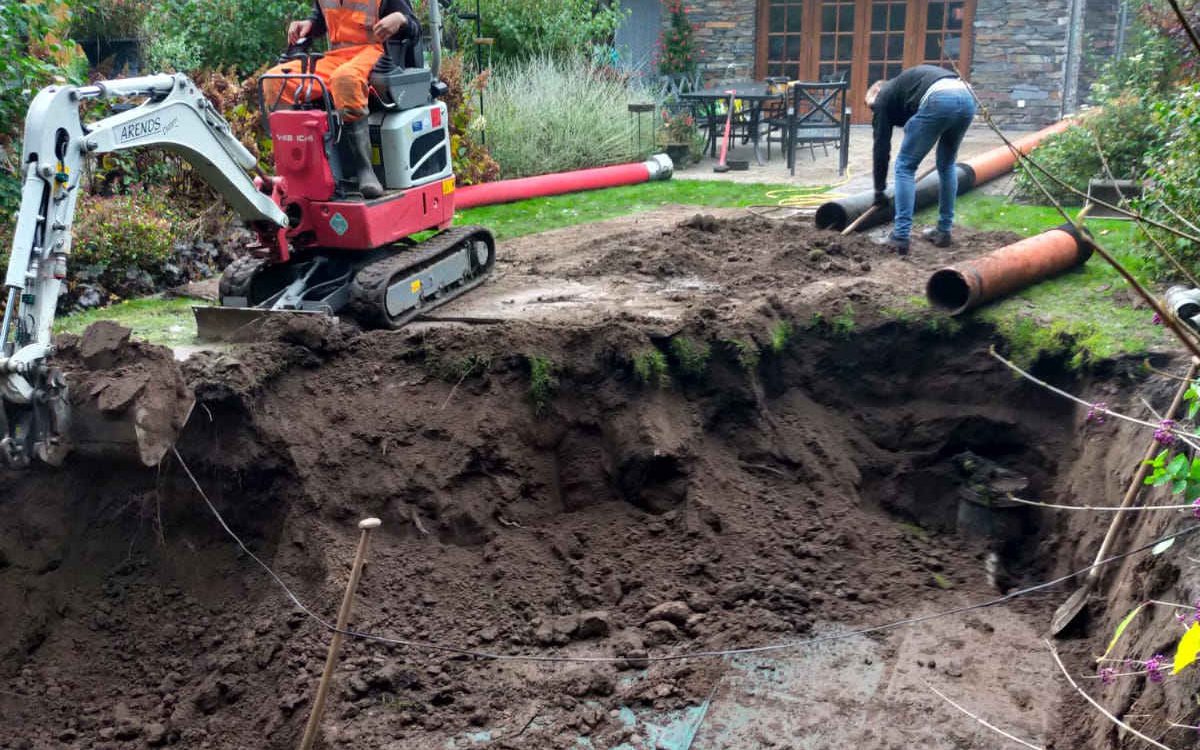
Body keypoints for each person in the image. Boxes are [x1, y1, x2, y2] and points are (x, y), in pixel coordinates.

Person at [264, 0, 422, 198]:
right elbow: (322, 19)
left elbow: (414, 30)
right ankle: (293, 167)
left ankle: (364, 170)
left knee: (345, 79)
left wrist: (400, 19)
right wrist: (309, 25)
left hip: (374, 53)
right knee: (277, 80)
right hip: (337, 57)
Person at [866, 64, 976, 255]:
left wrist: (879, 191)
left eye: (870, 106)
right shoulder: (906, 89)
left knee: (905, 166)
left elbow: (881, 149)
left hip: (940, 98)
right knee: (947, 165)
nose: (874, 112)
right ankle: (943, 231)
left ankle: (900, 236)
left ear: (877, 91)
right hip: (967, 96)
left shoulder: (883, 97)